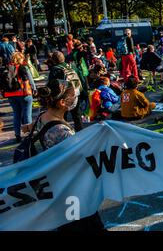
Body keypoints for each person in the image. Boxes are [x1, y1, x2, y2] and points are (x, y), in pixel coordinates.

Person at [29, 79, 105, 231]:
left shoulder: (43, 116)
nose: (75, 99)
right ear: (63, 102)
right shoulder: (61, 131)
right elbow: (80, 157)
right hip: (71, 190)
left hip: (55, 185)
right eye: (72, 96)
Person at [2, 52, 36, 143]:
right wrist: (30, 91)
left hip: (10, 95)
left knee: (16, 114)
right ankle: (29, 135)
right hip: (23, 94)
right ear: (19, 59)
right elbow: (26, 80)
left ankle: (17, 135)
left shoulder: (6, 68)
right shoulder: (21, 67)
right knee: (27, 114)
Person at [48, 51, 84, 132]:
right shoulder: (71, 66)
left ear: (53, 60)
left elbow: (51, 85)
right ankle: (81, 134)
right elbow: (81, 78)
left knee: (62, 117)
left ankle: (65, 134)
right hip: (75, 94)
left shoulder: (55, 69)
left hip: (63, 97)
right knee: (77, 116)